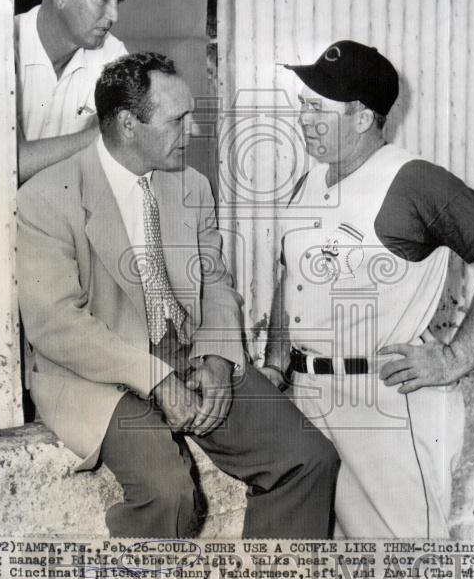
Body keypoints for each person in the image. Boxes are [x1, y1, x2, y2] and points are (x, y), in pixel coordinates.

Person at [17, 51, 339, 538]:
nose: (191, 133)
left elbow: (215, 285)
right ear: (128, 124)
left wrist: (216, 358)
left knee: (307, 459)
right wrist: (155, 379)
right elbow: (56, 326)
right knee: (169, 494)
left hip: (186, 353)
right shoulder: (45, 197)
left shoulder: (192, 185)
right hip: (100, 373)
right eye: (177, 120)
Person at [262, 40, 474, 539]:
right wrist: (277, 362)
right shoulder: (308, 182)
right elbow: (292, 275)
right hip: (309, 398)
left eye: (317, 108)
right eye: (302, 105)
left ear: (363, 118)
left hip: (384, 405)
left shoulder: (415, 181)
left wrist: (455, 358)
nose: (303, 119)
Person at [15, 0, 128, 183]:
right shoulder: (1, 45)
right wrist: (100, 136)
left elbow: (128, 148)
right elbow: (8, 166)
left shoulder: (112, 54)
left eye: (119, 1)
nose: (114, 16)